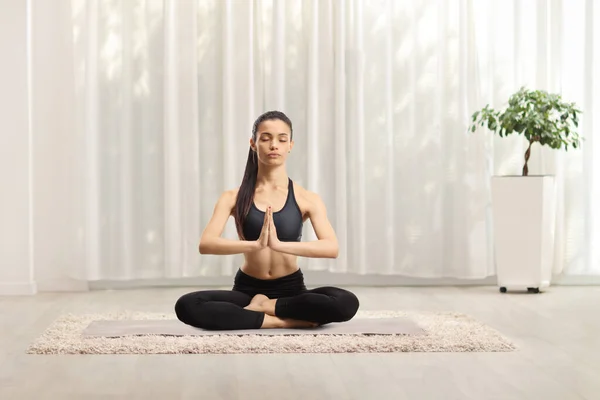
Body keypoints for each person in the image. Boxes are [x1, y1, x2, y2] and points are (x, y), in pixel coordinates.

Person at [174, 110, 360, 330]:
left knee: (346, 302)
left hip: (291, 291)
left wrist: (279, 245)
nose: (274, 145)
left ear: (290, 145)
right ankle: (278, 320)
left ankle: (266, 306)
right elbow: (206, 244)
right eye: (265, 138)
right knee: (187, 305)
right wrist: (256, 244)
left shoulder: (306, 198)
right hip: (247, 290)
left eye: (282, 139)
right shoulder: (232, 197)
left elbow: (331, 247)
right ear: (253, 143)